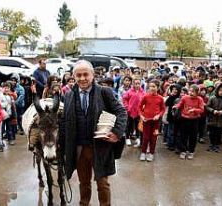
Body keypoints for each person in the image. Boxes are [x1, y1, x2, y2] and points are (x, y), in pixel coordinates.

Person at [59, 60, 127, 206]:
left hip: (100, 147)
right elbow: (64, 122)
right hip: (79, 149)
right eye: (78, 75)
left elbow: (121, 111)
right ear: (73, 76)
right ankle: (84, 204)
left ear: (92, 75)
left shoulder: (104, 92)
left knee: (102, 183)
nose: (82, 78)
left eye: (85, 74)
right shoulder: (69, 95)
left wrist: (116, 132)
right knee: (83, 182)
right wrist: (62, 146)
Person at [174, 84, 204, 160]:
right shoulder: (184, 98)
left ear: (197, 93)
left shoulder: (199, 99)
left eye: (193, 91)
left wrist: (194, 110)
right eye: (190, 91)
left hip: (194, 120)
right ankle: (183, 151)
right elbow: (180, 105)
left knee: (193, 137)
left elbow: (201, 110)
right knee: (183, 136)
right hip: (184, 119)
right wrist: (176, 106)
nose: (191, 93)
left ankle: (191, 151)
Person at [138, 79, 165, 162]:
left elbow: (163, 109)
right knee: (145, 138)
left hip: (156, 122)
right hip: (146, 121)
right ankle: (143, 152)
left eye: (154, 86)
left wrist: (158, 115)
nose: (152, 88)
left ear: (158, 87)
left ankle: (151, 153)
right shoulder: (145, 96)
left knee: (153, 138)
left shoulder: (160, 98)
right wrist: (142, 116)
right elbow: (139, 107)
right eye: (150, 86)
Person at [206, 83, 222, 152]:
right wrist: (213, 111)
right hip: (212, 119)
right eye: (220, 90)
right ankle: (211, 145)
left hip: (221, 120)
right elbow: (207, 106)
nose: (221, 92)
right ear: (217, 90)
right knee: (211, 133)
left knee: (218, 133)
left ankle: (216, 146)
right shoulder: (212, 98)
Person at [122, 77, 145, 147]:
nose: (137, 85)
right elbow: (124, 99)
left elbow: (144, 101)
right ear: (133, 84)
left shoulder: (143, 92)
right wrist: (127, 107)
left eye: (138, 83)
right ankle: (127, 138)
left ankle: (138, 137)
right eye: (135, 83)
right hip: (130, 112)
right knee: (129, 125)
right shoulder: (129, 92)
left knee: (138, 125)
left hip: (139, 112)